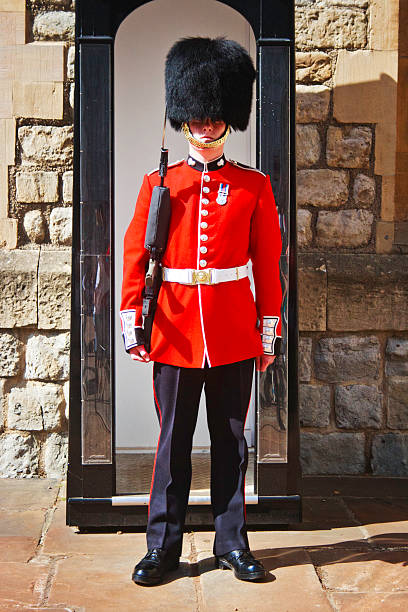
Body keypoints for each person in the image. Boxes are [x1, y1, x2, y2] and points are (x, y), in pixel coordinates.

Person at [120, 37, 283, 586]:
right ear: (183, 120)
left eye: (215, 116)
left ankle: (232, 543)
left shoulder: (254, 185)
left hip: (235, 333)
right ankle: (162, 547)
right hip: (173, 331)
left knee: (232, 444)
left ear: (227, 120)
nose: (206, 125)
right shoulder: (158, 185)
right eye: (197, 116)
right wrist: (134, 325)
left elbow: (267, 265)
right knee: (172, 446)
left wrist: (267, 335)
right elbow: (136, 260)